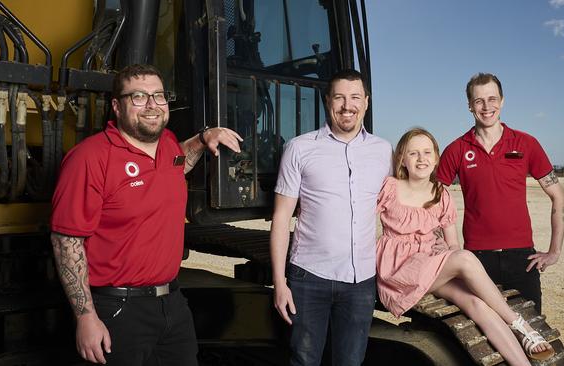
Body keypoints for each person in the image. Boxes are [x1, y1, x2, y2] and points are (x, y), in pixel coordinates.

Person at [50, 64, 243, 365]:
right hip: (117, 309)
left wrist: (204, 138)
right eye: (138, 96)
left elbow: (178, 164)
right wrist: (86, 317)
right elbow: (66, 242)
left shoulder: (167, 144)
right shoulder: (90, 159)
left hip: (172, 305)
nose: (152, 105)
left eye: (158, 96)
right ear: (117, 106)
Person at [377, 127, 555, 363]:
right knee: (465, 258)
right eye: (414, 153)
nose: (421, 159)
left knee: (476, 304)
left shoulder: (441, 194)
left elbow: (452, 244)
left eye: (427, 152)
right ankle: (518, 324)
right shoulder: (390, 187)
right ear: (402, 159)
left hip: (430, 267)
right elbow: (364, 229)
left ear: (436, 157)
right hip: (399, 270)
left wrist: (444, 252)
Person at [270, 69, 392, 366]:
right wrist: (279, 282)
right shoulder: (299, 148)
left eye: (354, 97)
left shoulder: (384, 151)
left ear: (366, 102)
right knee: (304, 360)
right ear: (328, 101)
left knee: (350, 362)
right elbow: (281, 217)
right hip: (309, 277)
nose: (346, 105)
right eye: (339, 97)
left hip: (360, 281)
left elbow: (396, 209)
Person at [436, 73, 564, 314]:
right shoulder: (456, 149)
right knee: (481, 339)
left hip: (522, 259)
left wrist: (554, 251)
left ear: (502, 101)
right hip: (476, 259)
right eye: (479, 101)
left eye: (492, 99)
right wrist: (442, 245)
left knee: (531, 331)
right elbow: (433, 199)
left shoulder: (526, 143)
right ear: (469, 105)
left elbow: (558, 196)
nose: (487, 107)